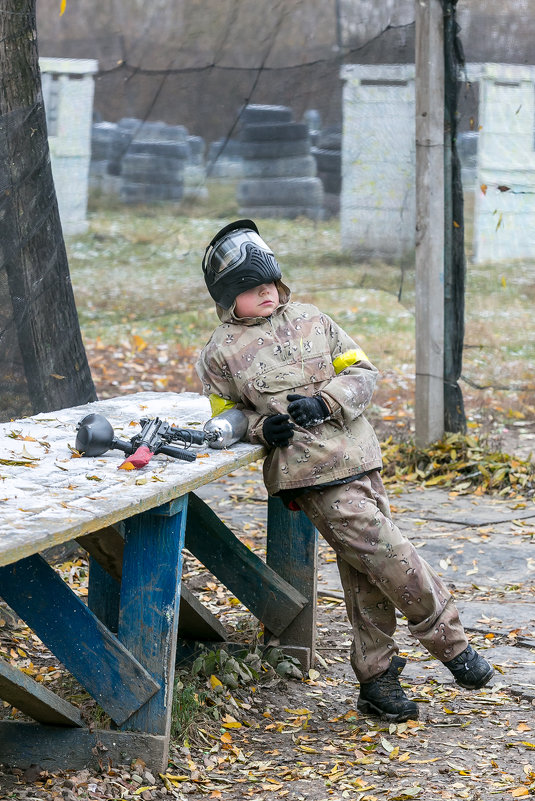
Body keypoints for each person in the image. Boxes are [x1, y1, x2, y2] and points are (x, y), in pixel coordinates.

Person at [196, 219, 494, 722]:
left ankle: (377, 681)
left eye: (268, 283)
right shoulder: (220, 352)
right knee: (389, 552)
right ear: (229, 300)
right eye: (250, 287)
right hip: (312, 476)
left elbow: (362, 371)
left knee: (366, 573)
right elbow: (224, 419)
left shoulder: (316, 320)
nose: (264, 292)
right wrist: (259, 430)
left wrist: (328, 402)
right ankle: (453, 646)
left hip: (360, 457)